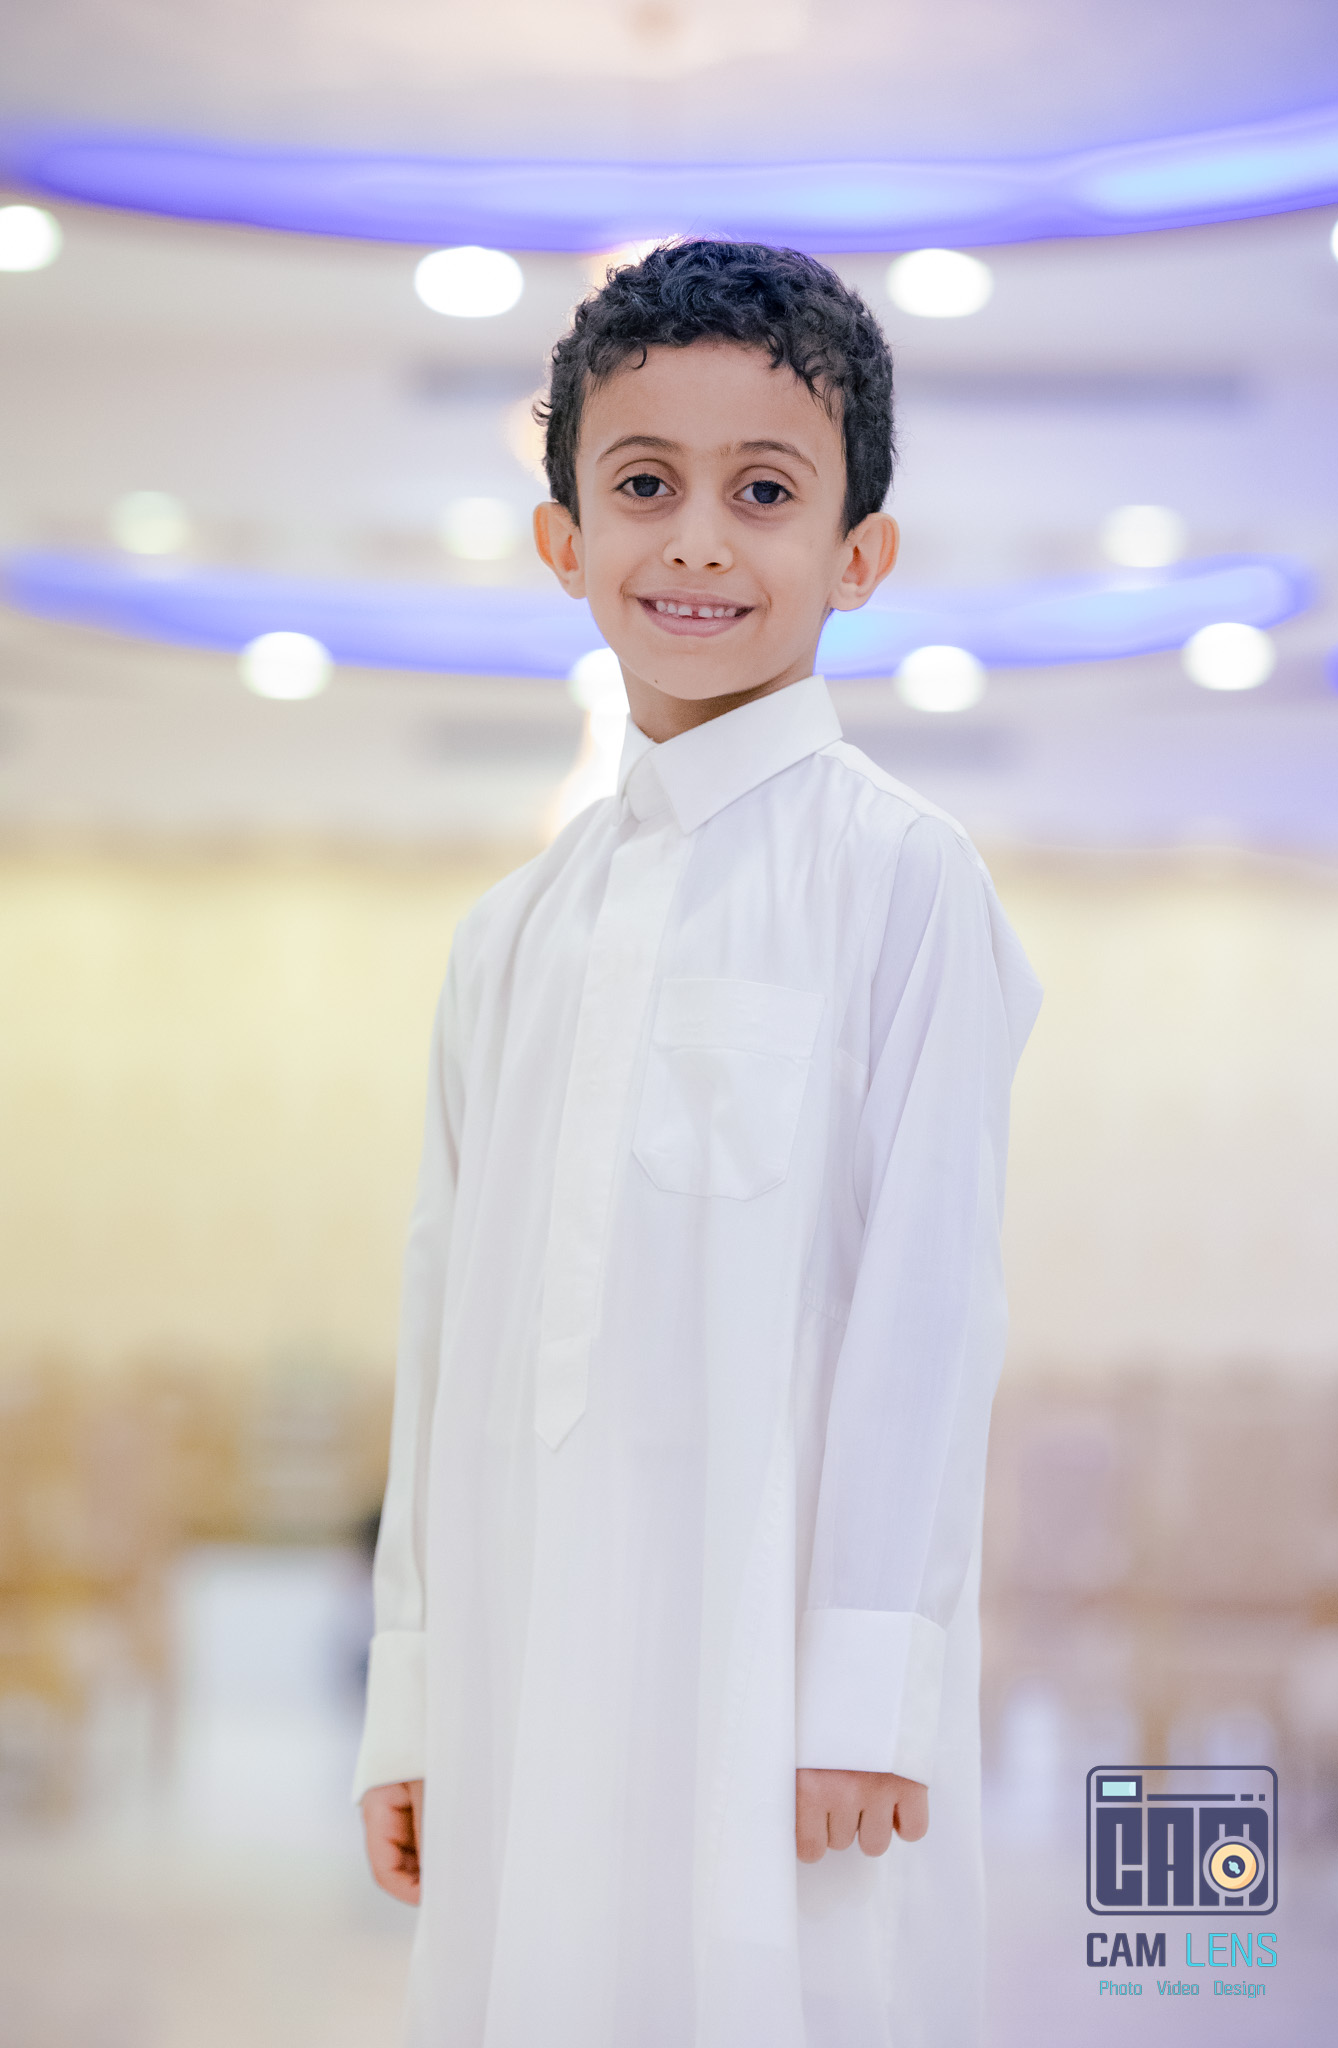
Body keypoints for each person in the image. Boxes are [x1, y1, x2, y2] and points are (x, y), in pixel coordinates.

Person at [353, 240, 1040, 2048]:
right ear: (561, 538)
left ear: (859, 555)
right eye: (644, 486)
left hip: (774, 1694)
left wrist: (865, 1694)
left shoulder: (901, 881)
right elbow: (443, 1329)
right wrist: (410, 1699)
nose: (698, 545)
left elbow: (926, 1314)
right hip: (515, 1663)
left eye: (765, 493)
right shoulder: (511, 932)